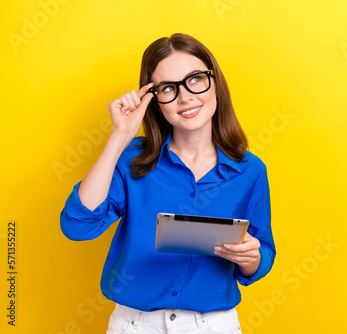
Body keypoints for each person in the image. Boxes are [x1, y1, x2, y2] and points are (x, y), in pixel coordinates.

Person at [60, 33, 276, 334]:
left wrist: (251, 257)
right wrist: (119, 137)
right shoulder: (132, 159)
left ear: (215, 83)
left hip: (213, 326)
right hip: (135, 325)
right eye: (168, 88)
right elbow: (78, 226)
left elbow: (262, 255)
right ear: (154, 100)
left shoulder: (250, 170)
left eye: (195, 79)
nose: (185, 96)